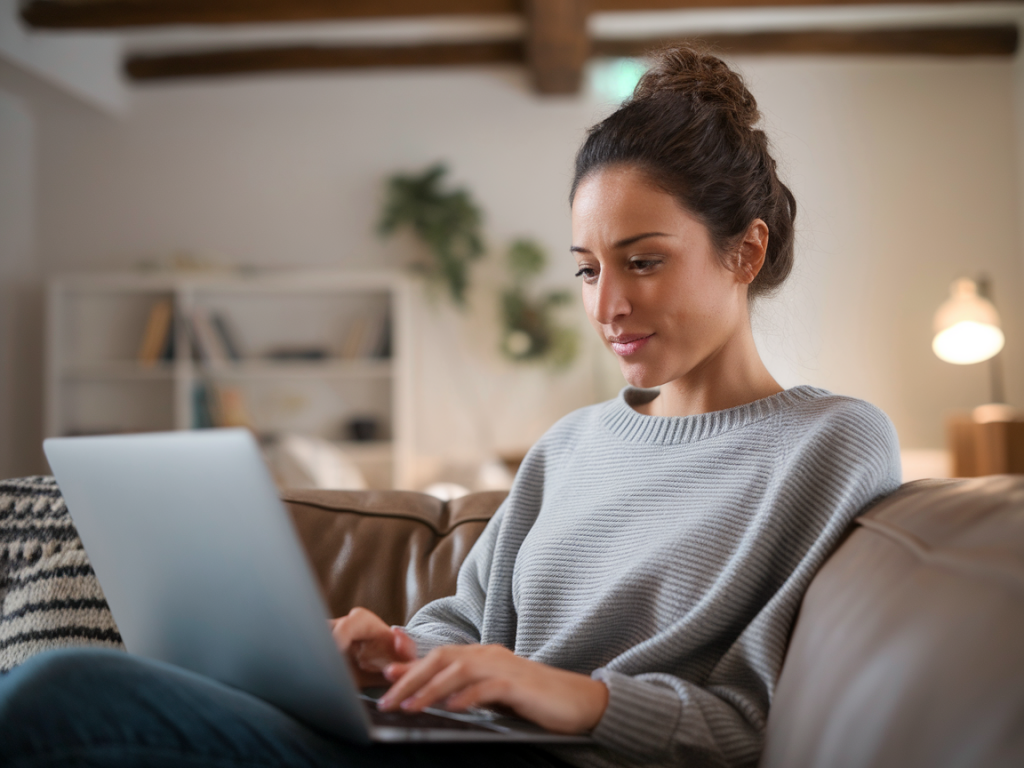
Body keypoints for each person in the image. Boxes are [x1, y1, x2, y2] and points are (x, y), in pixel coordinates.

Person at [0, 45, 900, 768]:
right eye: (587, 270)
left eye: (644, 260)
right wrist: (392, 648)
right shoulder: (573, 444)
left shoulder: (828, 444)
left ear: (745, 253)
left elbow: (753, 724)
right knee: (68, 683)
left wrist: (565, 693)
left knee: (57, 695)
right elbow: (465, 627)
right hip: (441, 734)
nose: (605, 306)